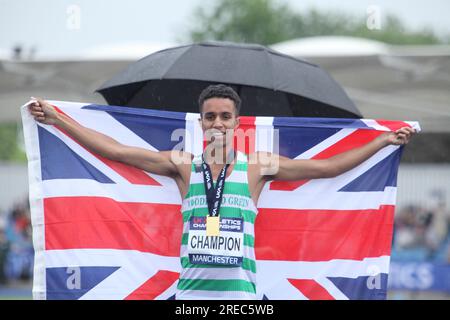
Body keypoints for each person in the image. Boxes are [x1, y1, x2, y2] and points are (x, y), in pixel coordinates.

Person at [28, 84, 415, 299]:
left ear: (236, 122)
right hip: (190, 300)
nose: (217, 122)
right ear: (200, 121)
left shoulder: (259, 166)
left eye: (225, 116)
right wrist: (60, 120)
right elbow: (115, 151)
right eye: (210, 116)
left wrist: (381, 142)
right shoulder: (182, 166)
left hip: (242, 300)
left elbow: (328, 168)